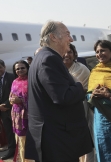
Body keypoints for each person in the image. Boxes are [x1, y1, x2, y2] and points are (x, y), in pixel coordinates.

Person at [24, 20, 92, 162]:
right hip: (57, 141)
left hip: (52, 138)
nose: (71, 39)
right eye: (67, 34)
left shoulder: (41, 57)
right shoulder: (49, 59)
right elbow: (63, 97)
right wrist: (79, 86)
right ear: (53, 37)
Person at [63, 44, 93, 162]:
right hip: (64, 110)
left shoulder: (81, 69)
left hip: (81, 107)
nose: (66, 55)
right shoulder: (57, 69)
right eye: (64, 52)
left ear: (75, 54)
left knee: (84, 139)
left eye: (70, 52)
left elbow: (82, 89)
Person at [9, 60, 31, 162]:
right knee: (19, 140)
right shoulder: (14, 81)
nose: (20, 70)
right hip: (16, 117)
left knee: (26, 142)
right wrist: (11, 100)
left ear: (27, 68)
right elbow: (11, 95)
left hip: (27, 116)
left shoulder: (31, 81)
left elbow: (34, 99)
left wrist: (21, 100)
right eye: (17, 69)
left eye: (22, 68)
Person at [0, 59, 16, 160]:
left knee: (18, 132)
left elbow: (15, 92)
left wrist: (5, 104)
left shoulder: (12, 77)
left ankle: (21, 150)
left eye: (0, 68)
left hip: (12, 109)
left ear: (4, 67)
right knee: (8, 132)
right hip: (2, 112)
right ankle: (11, 150)